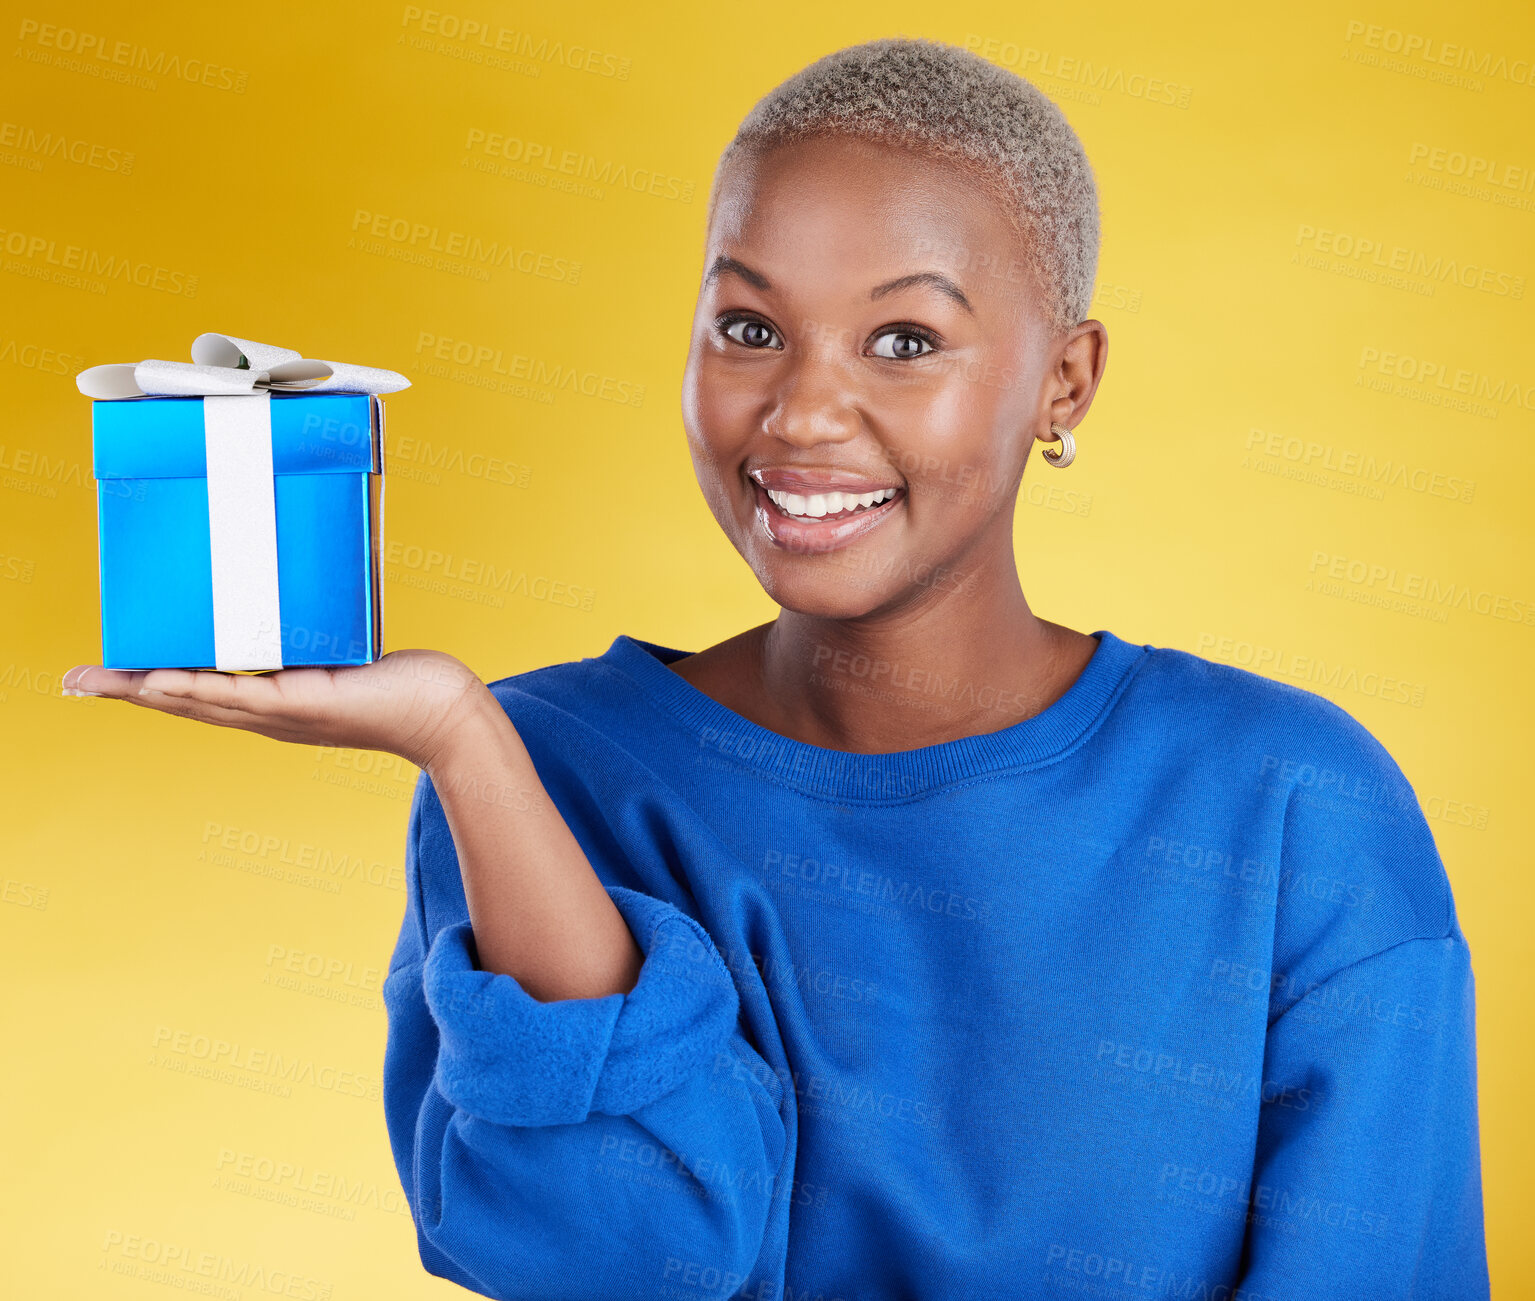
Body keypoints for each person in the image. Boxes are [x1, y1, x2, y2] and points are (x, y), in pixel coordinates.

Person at [63, 35, 1489, 1301]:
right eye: (750, 327)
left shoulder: (1297, 807)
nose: (804, 410)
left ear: (1067, 381)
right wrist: (464, 743)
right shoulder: (543, 765)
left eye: (905, 339)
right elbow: (617, 1262)